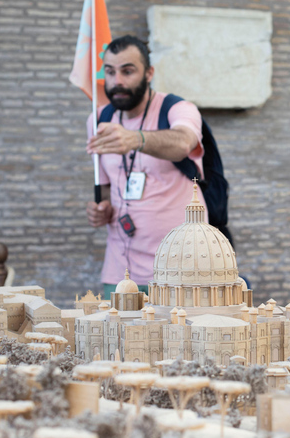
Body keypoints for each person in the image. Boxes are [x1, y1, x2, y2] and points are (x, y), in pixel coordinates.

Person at [85, 35, 205, 299]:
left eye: (128, 71)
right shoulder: (99, 119)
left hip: (179, 272)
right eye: (110, 71)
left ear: (149, 73)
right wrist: (100, 209)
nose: (118, 81)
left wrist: (135, 139)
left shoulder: (176, 108)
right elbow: (106, 189)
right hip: (119, 272)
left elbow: (184, 142)